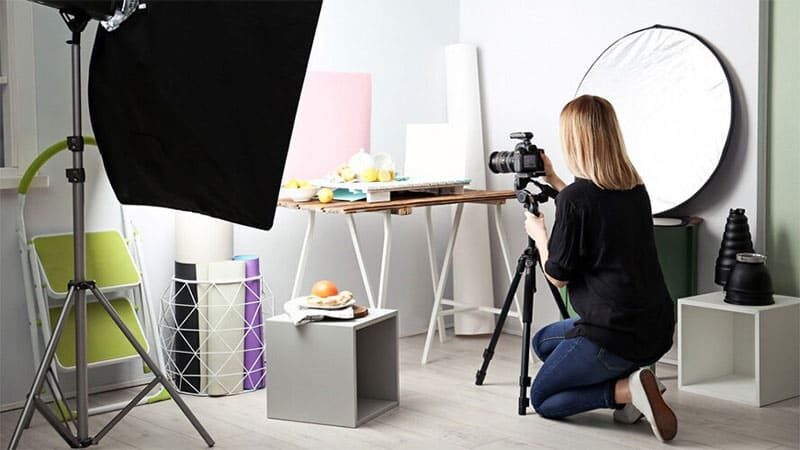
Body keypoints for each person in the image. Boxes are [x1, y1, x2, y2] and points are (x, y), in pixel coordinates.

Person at [524, 95, 677, 442]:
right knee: (543, 343)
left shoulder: (577, 199)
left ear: (573, 140)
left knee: (542, 399)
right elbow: (590, 207)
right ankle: (636, 381)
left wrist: (539, 234)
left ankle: (627, 392)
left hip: (613, 334)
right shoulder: (635, 189)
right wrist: (554, 179)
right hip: (655, 329)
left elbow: (557, 276)